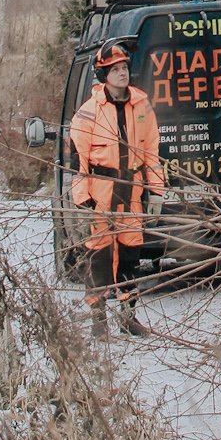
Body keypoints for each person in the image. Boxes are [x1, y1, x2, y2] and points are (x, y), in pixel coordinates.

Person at [68, 40, 165, 340]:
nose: (122, 73)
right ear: (103, 75)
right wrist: (82, 198)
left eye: (124, 68)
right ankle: (99, 320)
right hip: (101, 193)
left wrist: (156, 192)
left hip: (132, 191)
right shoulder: (88, 112)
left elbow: (151, 152)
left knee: (129, 256)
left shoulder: (141, 104)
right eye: (116, 69)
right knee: (98, 257)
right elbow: (78, 160)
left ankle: (128, 316)